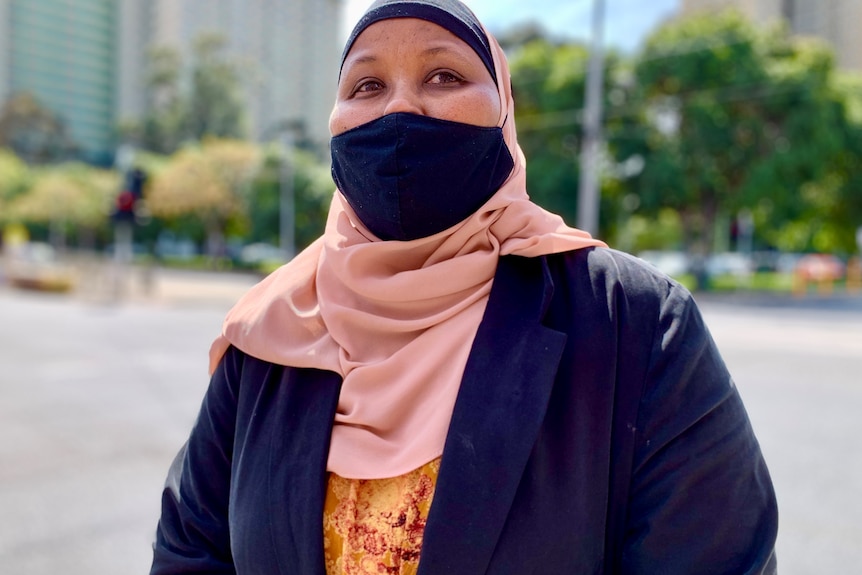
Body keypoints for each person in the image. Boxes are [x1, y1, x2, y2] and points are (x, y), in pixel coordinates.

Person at [150, 0, 778, 573]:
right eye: (367, 84)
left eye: (443, 77)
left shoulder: (635, 323)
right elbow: (189, 550)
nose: (399, 107)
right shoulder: (270, 331)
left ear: (504, 113)